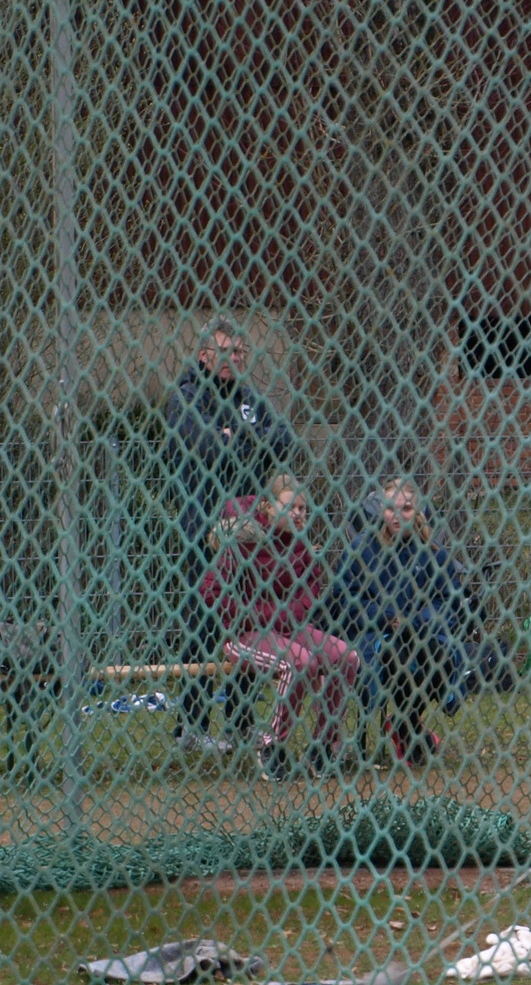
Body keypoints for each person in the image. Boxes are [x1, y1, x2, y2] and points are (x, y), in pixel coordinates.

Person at [163, 319, 294, 752]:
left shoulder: (247, 399)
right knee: (203, 626)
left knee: (247, 628)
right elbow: (205, 447)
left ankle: (239, 723)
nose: (231, 359)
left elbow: (284, 439)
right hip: (203, 532)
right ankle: (191, 726)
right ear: (203, 354)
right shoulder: (186, 398)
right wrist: (244, 443)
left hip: (249, 532)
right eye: (223, 351)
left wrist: (236, 436)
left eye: (237, 352)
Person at [198, 474, 359, 779]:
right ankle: (273, 746)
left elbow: (309, 592)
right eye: (290, 507)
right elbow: (211, 590)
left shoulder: (300, 544)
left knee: (346, 657)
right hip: (244, 634)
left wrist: (285, 615)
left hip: (287, 629)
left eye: (302, 508)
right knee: (299, 663)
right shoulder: (242, 539)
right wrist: (256, 615)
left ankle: (323, 745)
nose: (298, 514)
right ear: (269, 507)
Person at [332, 477, 469, 765]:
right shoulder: (361, 548)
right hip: (376, 635)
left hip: (424, 635)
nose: (397, 516)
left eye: (405, 509)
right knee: (398, 656)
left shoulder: (434, 553)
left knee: (440, 655)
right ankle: (409, 731)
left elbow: (449, 602)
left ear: (417, 511)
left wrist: (415, 620)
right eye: (390, 509)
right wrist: (385, 617)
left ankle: (404, 724)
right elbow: (345, 600)